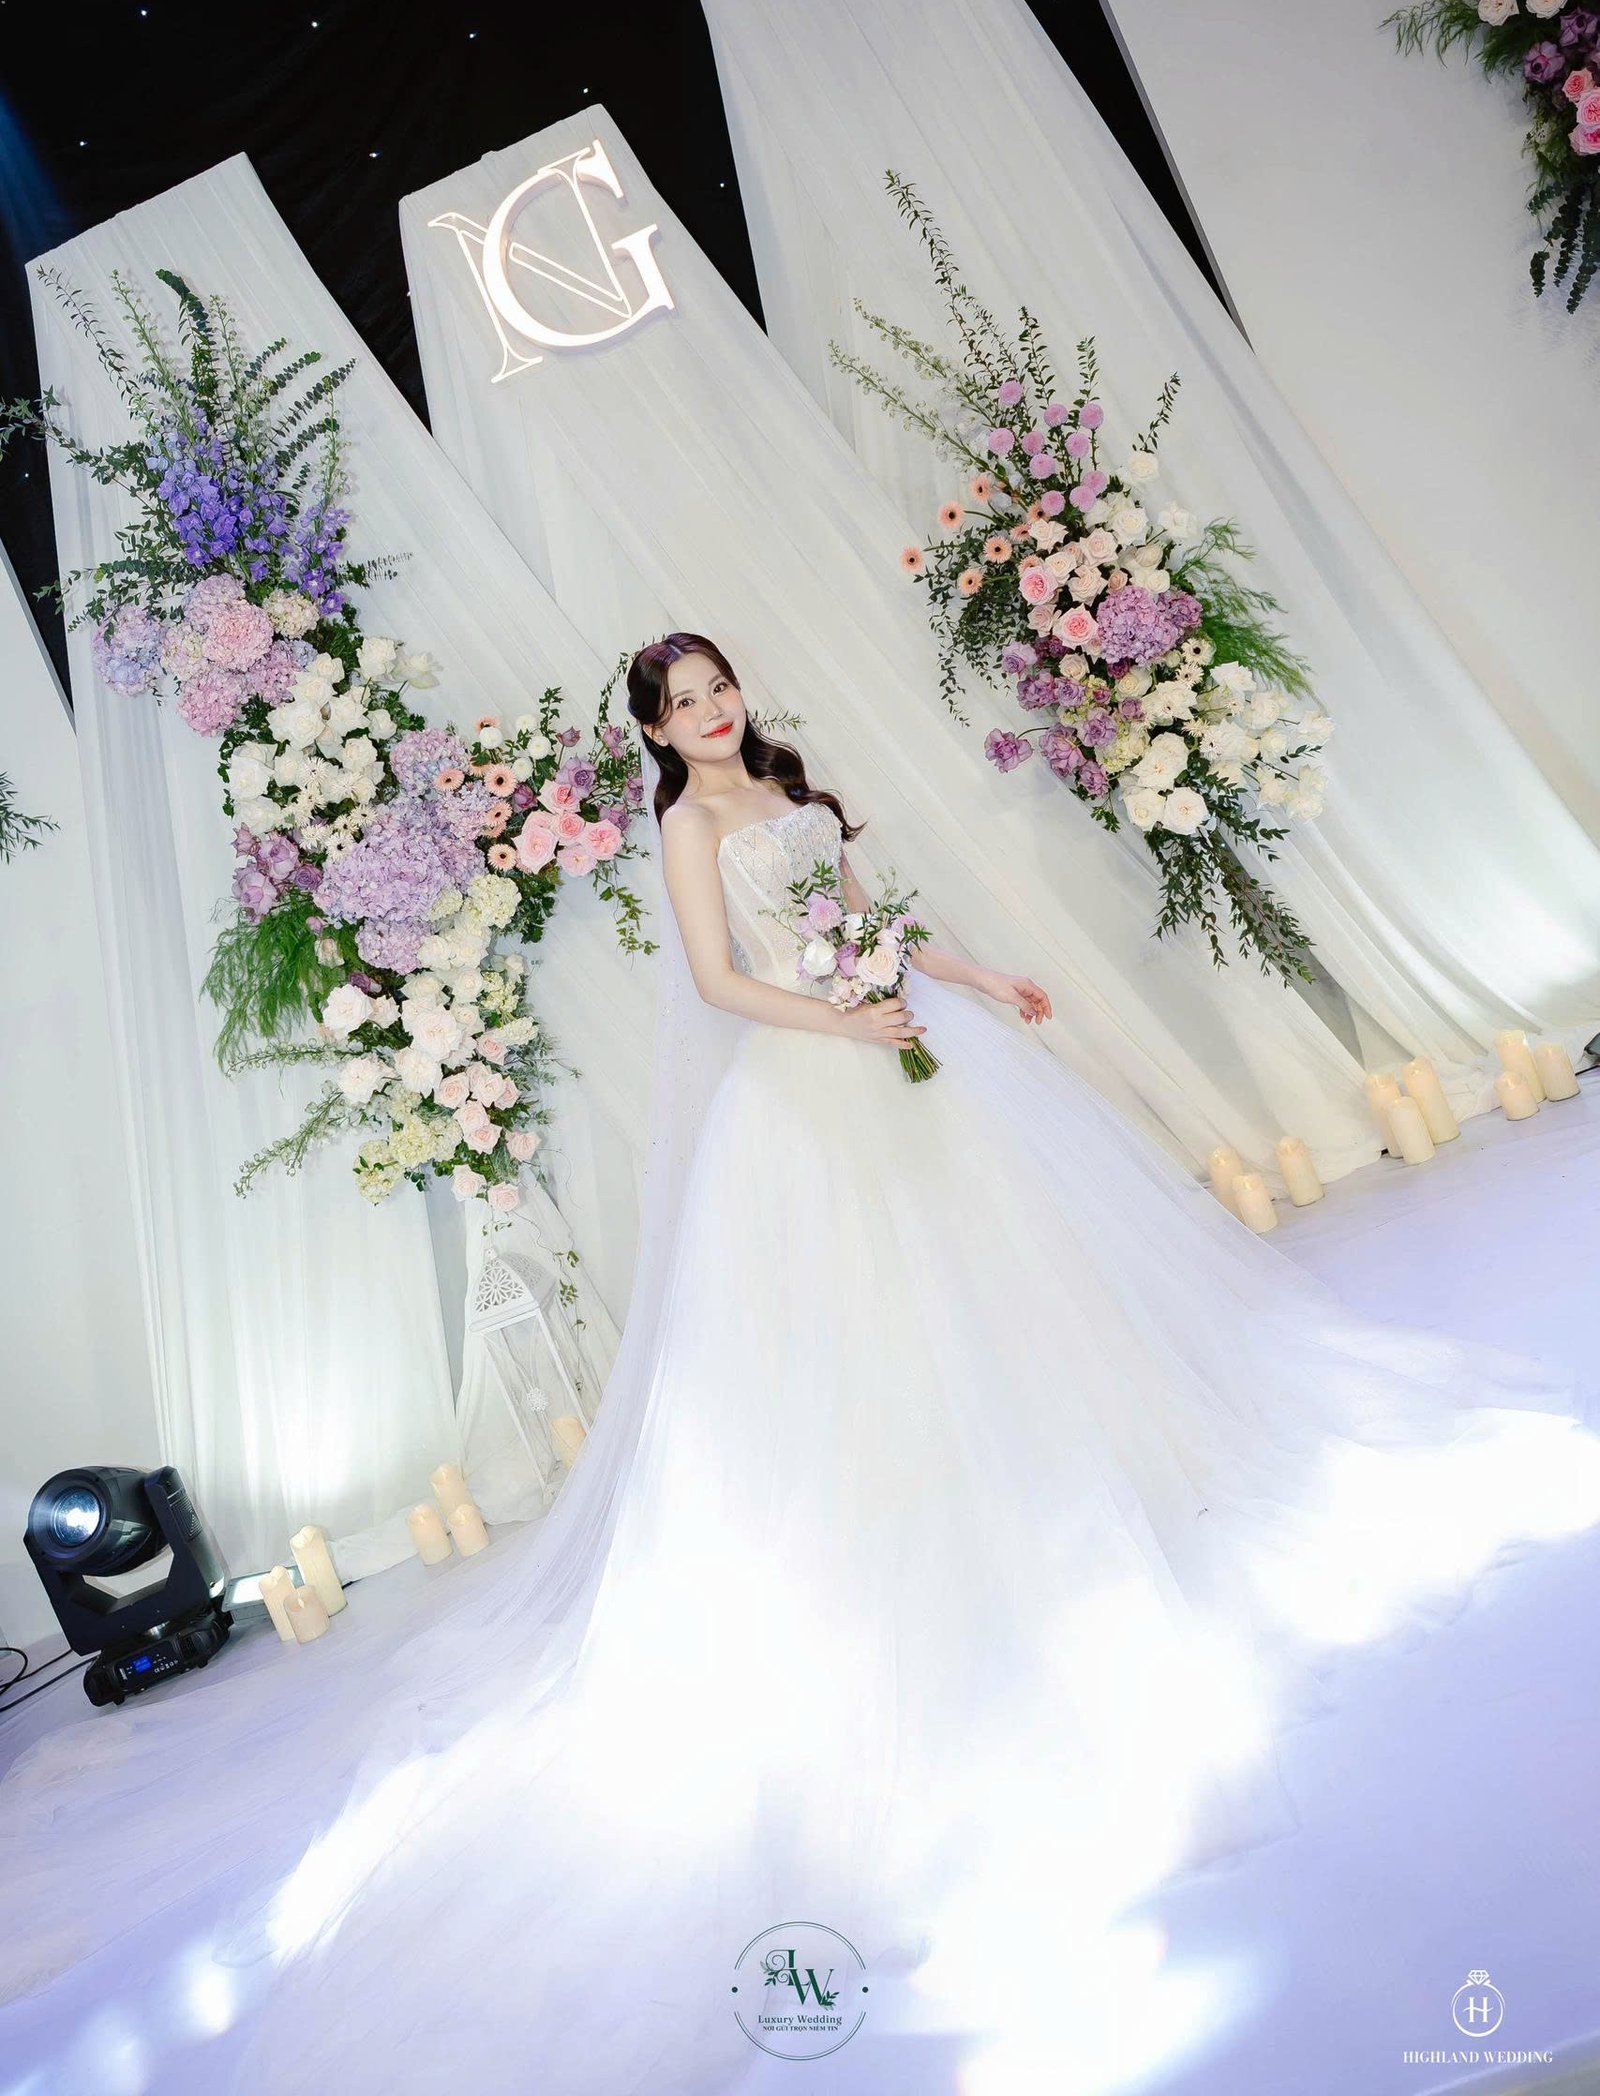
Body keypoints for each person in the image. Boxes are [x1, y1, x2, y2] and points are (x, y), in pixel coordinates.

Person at [3, 630, 1597, 2096]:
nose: (714, 714)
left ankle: (1094, 1471)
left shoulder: (785, 787)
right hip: (812, 1086)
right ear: (652, 730)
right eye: (684, 703)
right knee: (865, 1332)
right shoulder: (690, 828)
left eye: (720, 688)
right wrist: (842, 1021)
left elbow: (880, 918)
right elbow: (717, 983)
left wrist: (968, 978)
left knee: (1016, 1277)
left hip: (907, 1043)